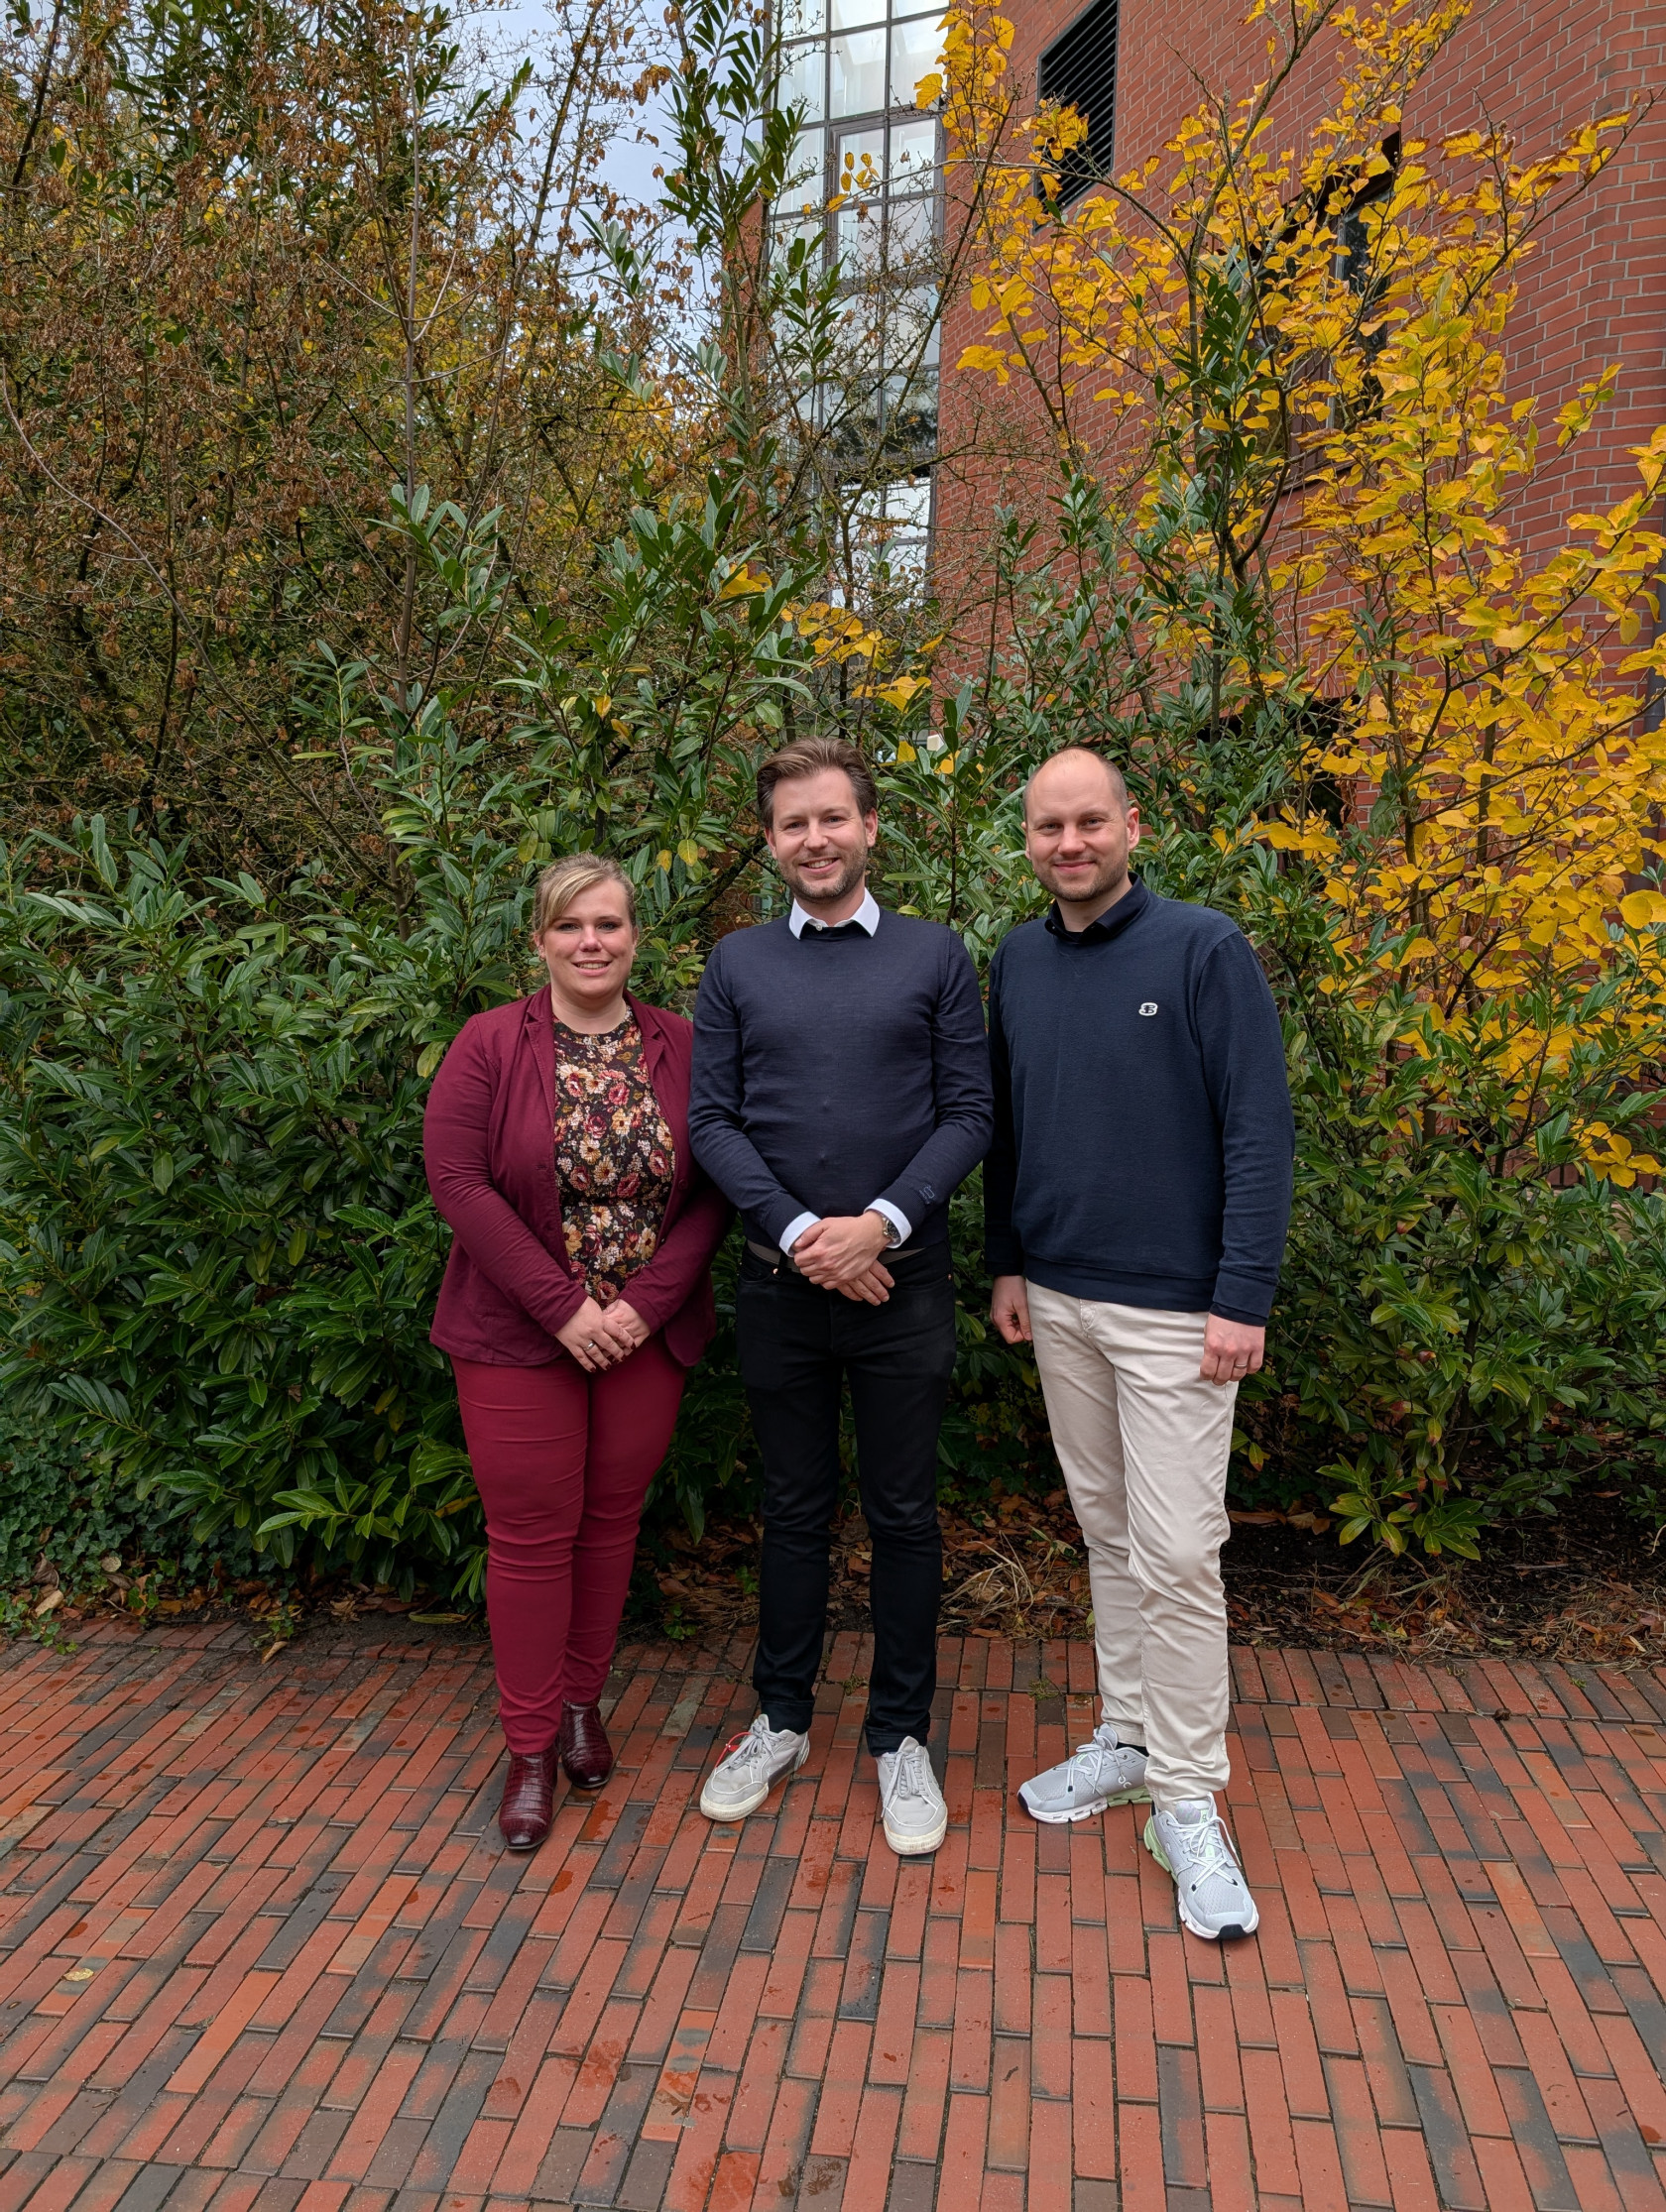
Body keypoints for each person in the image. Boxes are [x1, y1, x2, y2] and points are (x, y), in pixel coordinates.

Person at [987, 748, 1293, 1940]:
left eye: (1090, 821)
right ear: (1028, 840)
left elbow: (1259, 1131)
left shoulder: (1203, 949)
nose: (1071, 842)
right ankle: (1126, 1737)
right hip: (1058, 1293)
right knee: (1109, 1532)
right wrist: (1008, 1258)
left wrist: (1243, 1294)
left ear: (1132, 825)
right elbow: (1007, 1126)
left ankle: (1188, 1797)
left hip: (1179, 1310)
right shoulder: (1014, 958)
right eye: (1049, 826)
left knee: (1178, 1551)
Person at [688, 735, 993, 1856]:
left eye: (832, 817)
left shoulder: (934, 955)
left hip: (903, 1290)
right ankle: (779, 1718)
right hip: (780, 1290)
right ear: (770, 843)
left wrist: (884, 1224)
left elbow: (970, 1110)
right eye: (791, 823)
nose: (814, 838)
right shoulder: (736, 964)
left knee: (906, 1513)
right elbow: (711, 1120)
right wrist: (808, 1235)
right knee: (794, 1510)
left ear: (870, 826)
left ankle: (901, 1737)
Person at [424, 854, 730, 1852]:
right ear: (540, 940)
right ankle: (526, 1747)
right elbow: (460, 1182)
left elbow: (713, 1187)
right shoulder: (486, 1046)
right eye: (570, 926)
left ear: (636, 936)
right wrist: (565, 1309)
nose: (590, 942)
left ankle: (579, 1705)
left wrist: (642, 1305)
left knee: (608, 1524)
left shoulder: (683, 1045)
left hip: (644, 1332)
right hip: (521, 1334)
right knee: (528, 1534)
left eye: (608, 924)